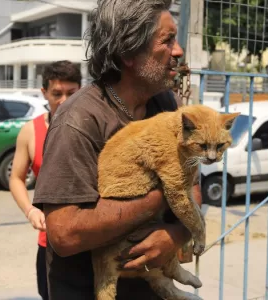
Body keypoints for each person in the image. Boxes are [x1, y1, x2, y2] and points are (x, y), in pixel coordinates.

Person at [32, 0, 203, 299]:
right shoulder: (78, 121)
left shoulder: (165, 104)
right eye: (167, 40)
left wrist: (174, 235)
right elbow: (64, 234)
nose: (178, 51)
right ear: (128, 53)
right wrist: (162, 195)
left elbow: (194, 187)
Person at [9, 60, 82, 300]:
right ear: (44, 93)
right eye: (56, 94)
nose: (64, 100)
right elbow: (17, 178)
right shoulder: (31, 131)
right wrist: (30, 211)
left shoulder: (92, 127)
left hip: (92, 237)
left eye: (71, 93)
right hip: (50, 240)